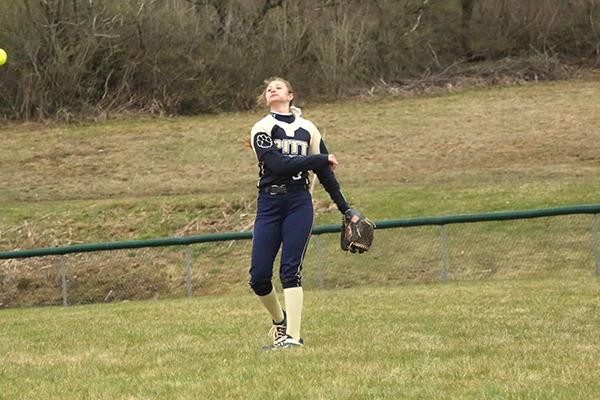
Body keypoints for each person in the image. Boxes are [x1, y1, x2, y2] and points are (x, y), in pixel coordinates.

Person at [248, 77, 359, 350]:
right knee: (259, 276)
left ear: (290, 95)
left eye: (278, 86)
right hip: (269, 204)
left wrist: (347, 210)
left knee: (290, 271)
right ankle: (280, 321)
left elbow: (326, 175)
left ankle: (293, 338)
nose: (272, 89)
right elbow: (277, 164)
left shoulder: (308, 129)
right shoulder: (261, 128)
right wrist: (320, 158)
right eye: (268, 88)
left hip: (299, 203)